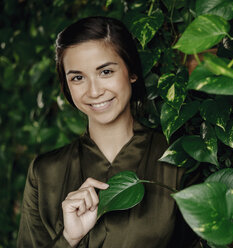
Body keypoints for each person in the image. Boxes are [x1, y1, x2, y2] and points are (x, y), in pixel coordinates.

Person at [17, 16, 198, 248]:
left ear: (131, 72)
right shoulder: (44, 173)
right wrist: (69, 239)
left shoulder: (177, 159)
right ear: (66, 85)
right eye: (78, 77)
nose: (94, 91)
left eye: (105, 72)